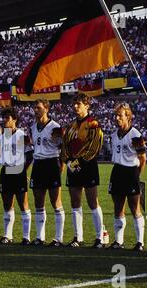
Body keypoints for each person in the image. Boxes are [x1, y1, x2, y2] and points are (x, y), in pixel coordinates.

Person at [61, 93, 105, 248]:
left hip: (88, 166)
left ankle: (100, 237)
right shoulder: (70, 126)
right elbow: (64, 148)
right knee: (75, 202)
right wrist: (70, 162)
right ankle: (77, 237)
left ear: (87, 106)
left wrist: (79, 161)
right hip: (73, 166)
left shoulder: (93, 124)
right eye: (74, 104)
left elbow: (95, 147)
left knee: (93, 201)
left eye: (78, 104)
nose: (75, 107)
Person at [108, 103, 147, 251]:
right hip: (117, 171)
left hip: (131, 172)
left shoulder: (136, 135)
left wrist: (137, 175)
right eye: (116, 115)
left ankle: (140, 242)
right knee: (118, 207)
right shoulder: (113, 134)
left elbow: (142, 158)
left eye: (120, 116)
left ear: (128, 117)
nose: (117, 118)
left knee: (134, 207)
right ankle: (119, 242)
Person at [29, 99, 66, 247]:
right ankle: (40, 237)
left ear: (46, 109)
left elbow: (63, 148)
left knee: (55, 201)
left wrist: (61, 166)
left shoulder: (55, 127)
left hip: (51, 163)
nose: (35, 110)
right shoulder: (33, 126)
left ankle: (58, 238)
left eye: (38, 108)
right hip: (38, 164)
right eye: (34, 108)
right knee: (38, 202)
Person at [0, 107, 33, 244]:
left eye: (7, 118)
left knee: (23, 204)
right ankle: (8, 236)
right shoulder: (3, 136)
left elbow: (30, 155)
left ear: (14, 120)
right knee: (7, 204)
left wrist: (24, 170)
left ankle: (26, 237)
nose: (4, 121)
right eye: (4, 118)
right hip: (6, 171)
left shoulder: (21, 135)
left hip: (18, 171)